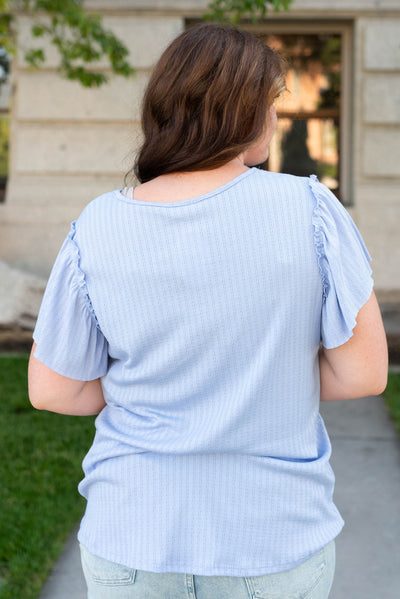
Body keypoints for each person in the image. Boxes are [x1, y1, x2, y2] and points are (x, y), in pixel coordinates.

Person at [28, 22, 388, 599]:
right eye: (271, 104)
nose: (274, 119)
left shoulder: (98, 224)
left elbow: (53, 390)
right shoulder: (310, 209)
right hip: (271, 539)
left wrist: (152, 386)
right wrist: (262, 380)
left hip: (132, 538)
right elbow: (364, 374)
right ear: (243, 111)